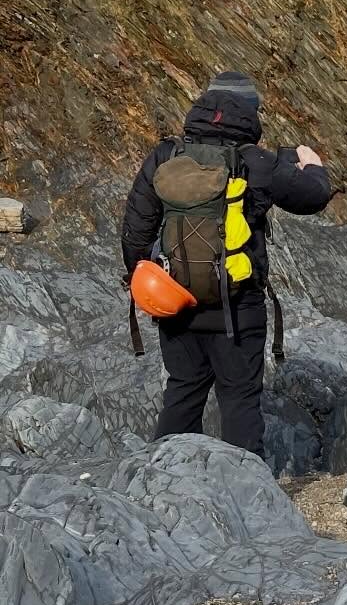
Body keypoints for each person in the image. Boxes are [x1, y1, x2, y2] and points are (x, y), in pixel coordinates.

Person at [121, 71, 332, 456]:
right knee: (239, 400)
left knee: (183, 392)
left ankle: (164, 486)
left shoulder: (166, 156)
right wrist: (312, 165)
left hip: (176, 304)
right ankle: (241, 493)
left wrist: (147, 282)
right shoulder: (257, 163)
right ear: (251, 114)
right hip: (238, 307)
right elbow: (314, 196)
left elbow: (135, 232)